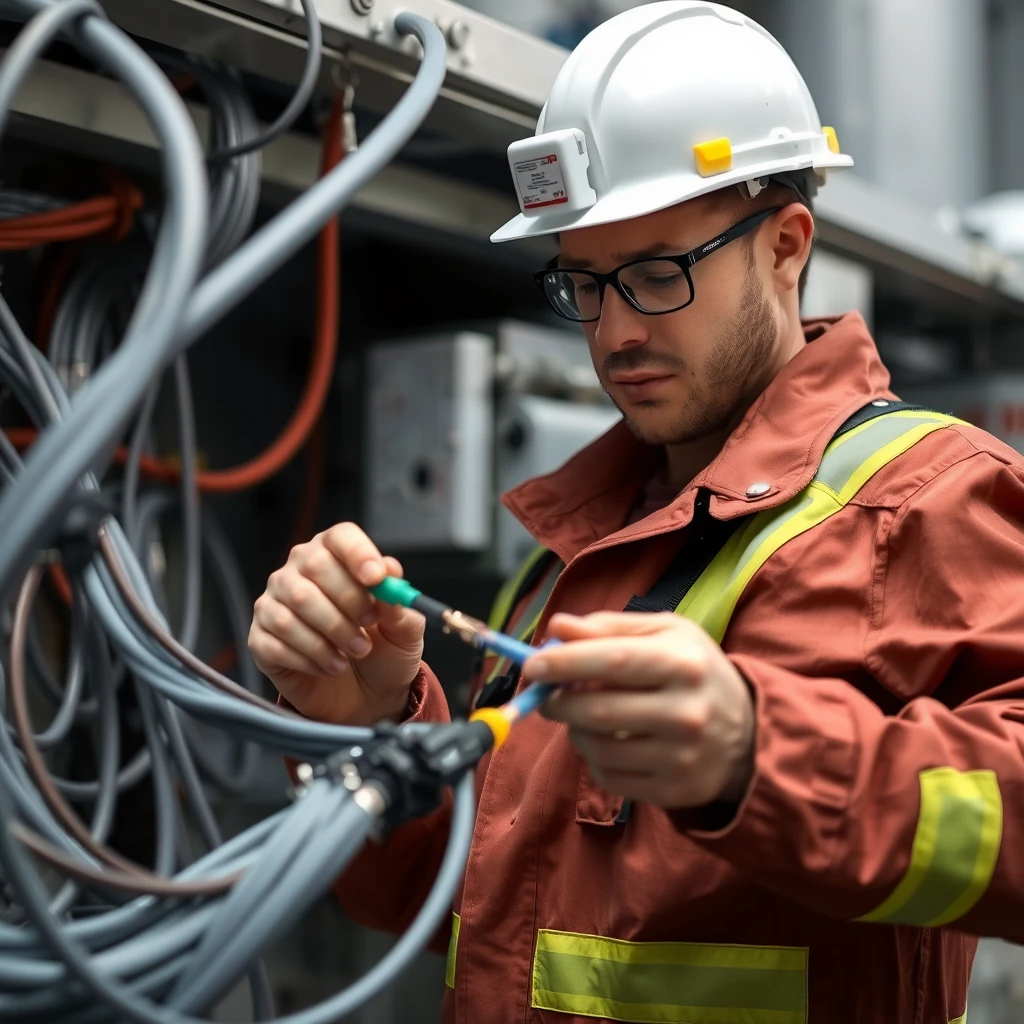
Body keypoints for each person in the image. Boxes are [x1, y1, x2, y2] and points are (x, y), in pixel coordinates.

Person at [248, 3, 1024, 1021]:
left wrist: (754, 755)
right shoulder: (577, 545)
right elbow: (453, 904)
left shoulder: (929, 497)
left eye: (657, 274)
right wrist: (373, 723)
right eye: (583, 283)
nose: (614, 332)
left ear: (786, 245)